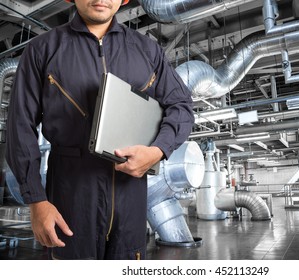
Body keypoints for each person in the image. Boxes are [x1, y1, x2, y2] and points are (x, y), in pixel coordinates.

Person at [5, 0, 194, 260]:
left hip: (131, 194)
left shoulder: (148, 51)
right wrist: (36, 201)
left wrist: (159, 150)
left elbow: (181, 105)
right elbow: (20, 125)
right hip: (69, 193)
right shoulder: (42, 49)